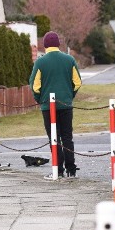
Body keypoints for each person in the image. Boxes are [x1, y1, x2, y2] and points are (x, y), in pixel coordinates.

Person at [29, 31, 82, 180]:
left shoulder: (40, 62)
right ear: (59, 44)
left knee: (54, 138)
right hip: (65, 104)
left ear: (45, 45)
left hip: (48, 106)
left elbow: (34, 86)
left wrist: (40, 100)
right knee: (67, 137)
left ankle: (57, 170)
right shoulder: (69, 59)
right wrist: (69, 96)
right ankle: (71, 170)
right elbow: (78, 82)